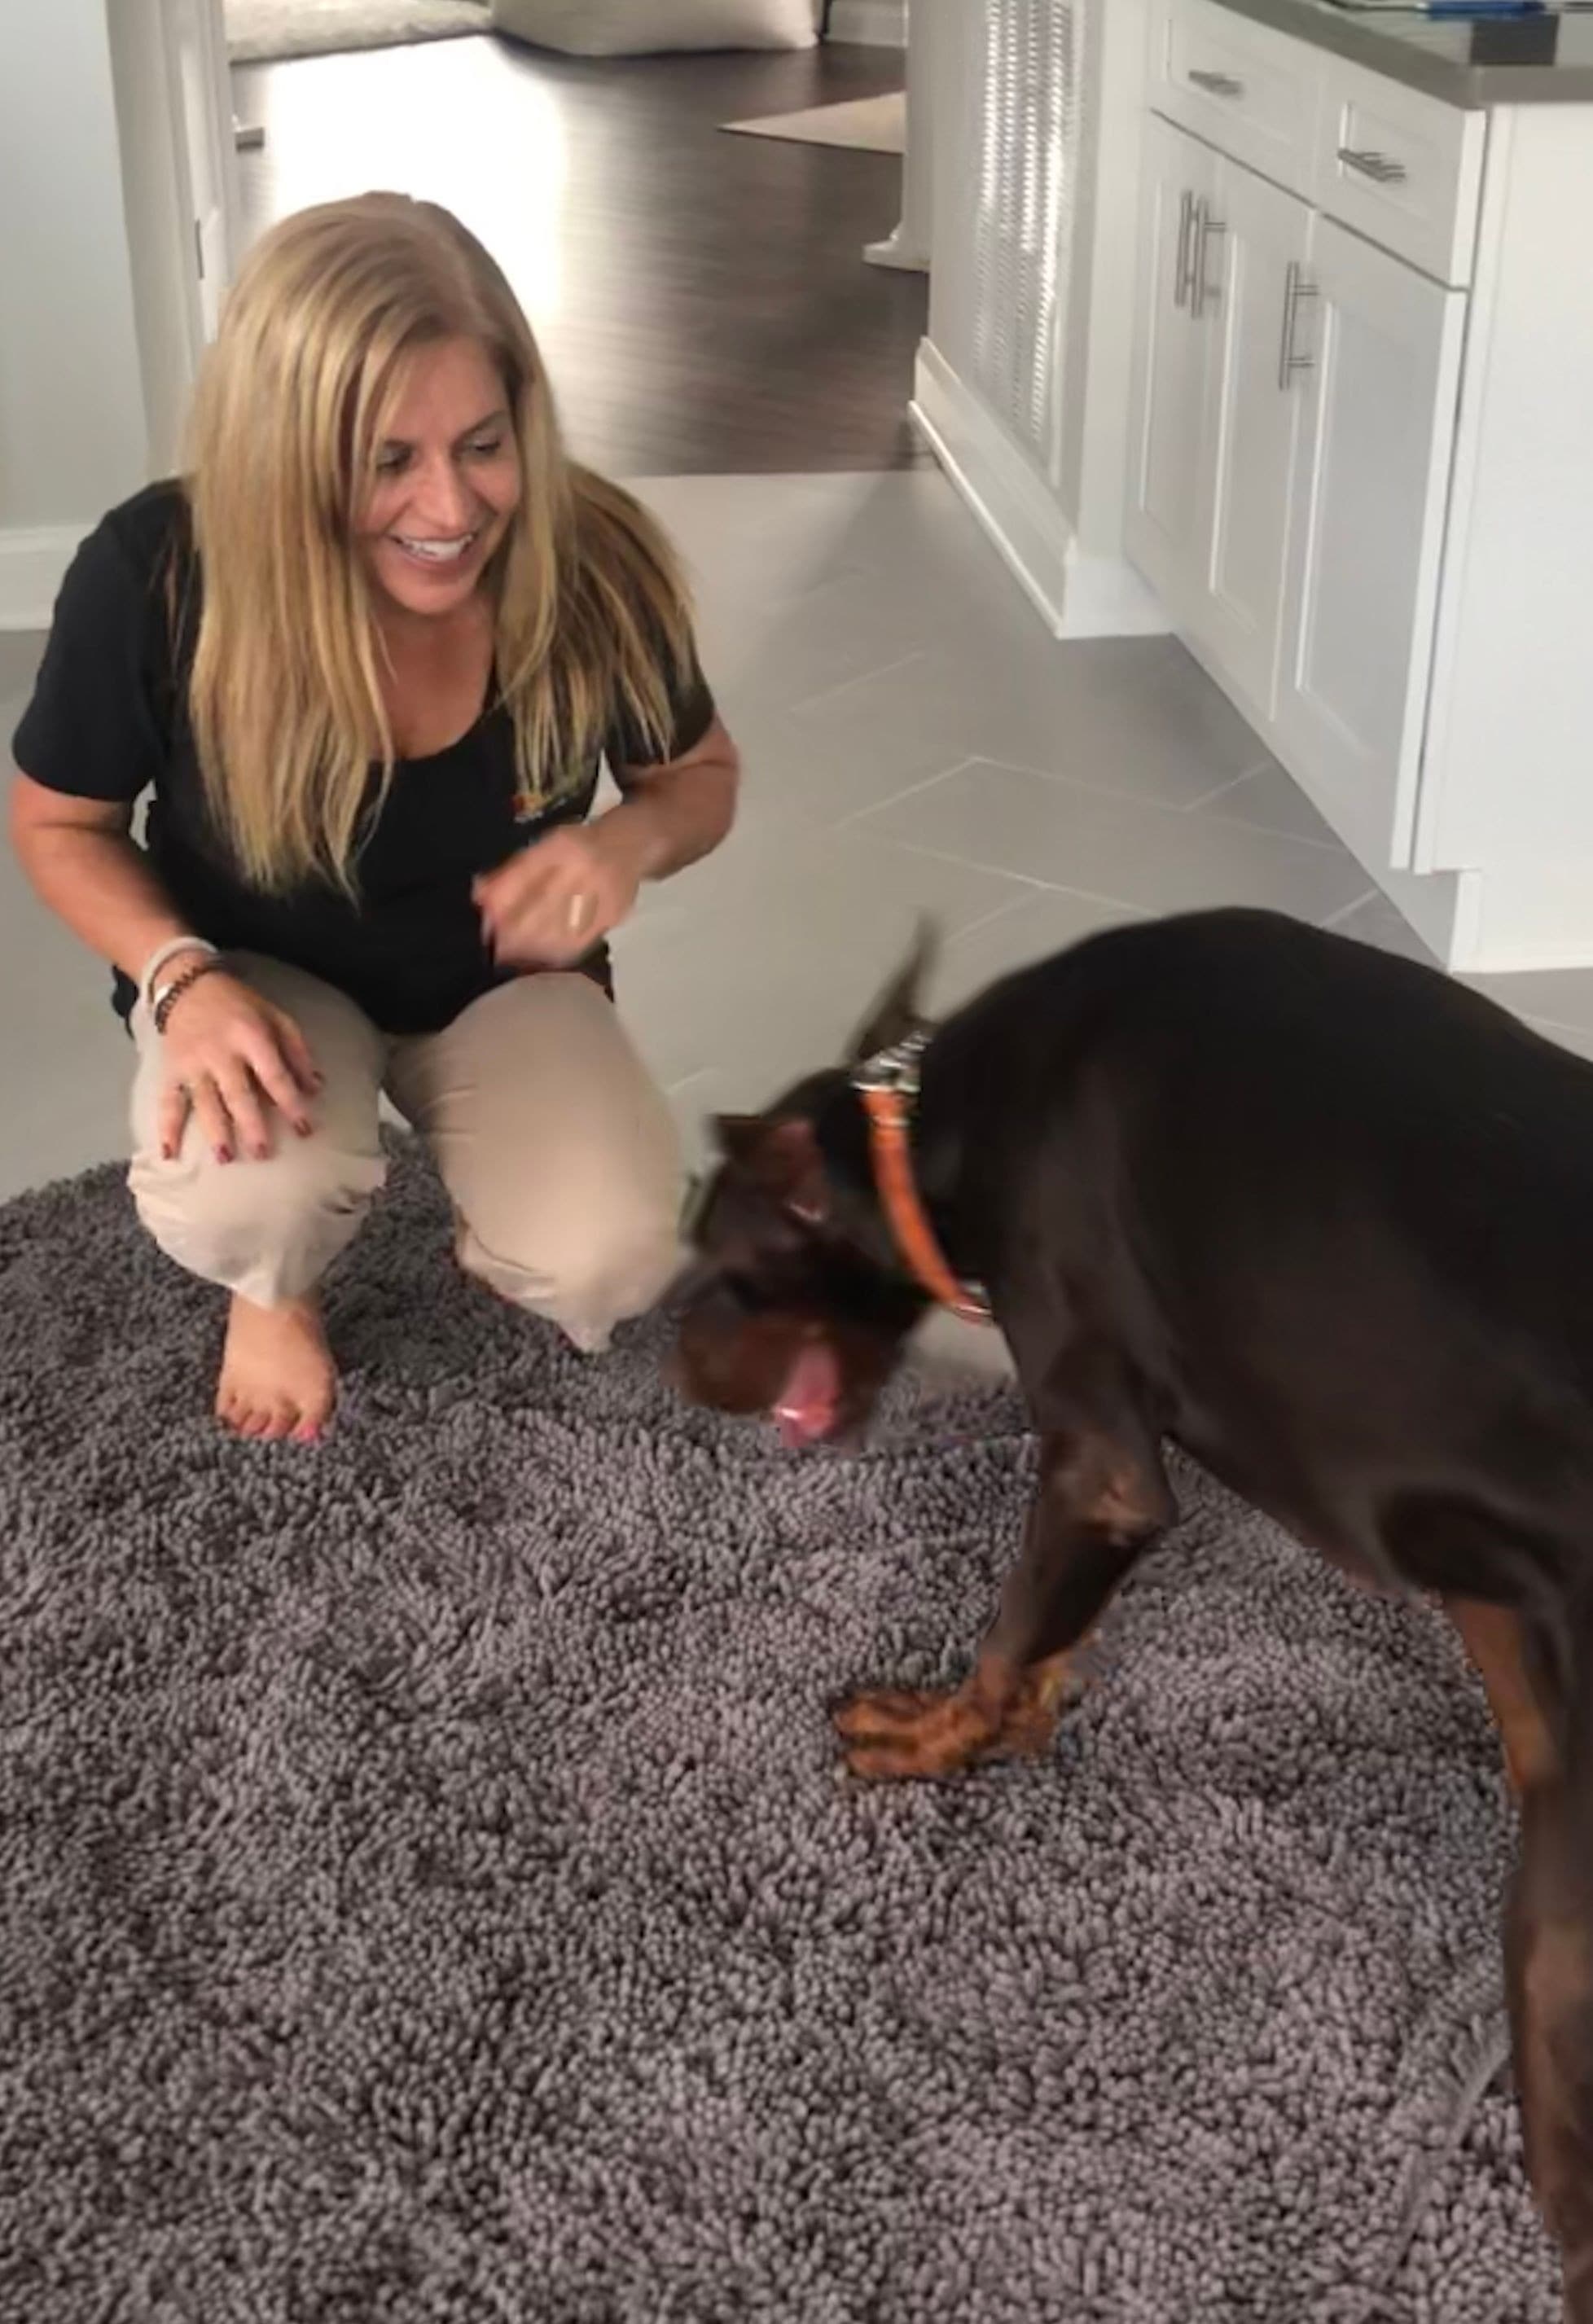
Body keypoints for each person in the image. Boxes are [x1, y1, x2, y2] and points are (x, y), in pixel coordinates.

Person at [7, 193, 738, 1445]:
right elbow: (59, 823)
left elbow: (699, 776)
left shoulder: (596, 560)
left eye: (485, 444)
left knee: (606, 1260)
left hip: (506, 983)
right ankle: (273, 1291)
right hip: (259, 975)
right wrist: (180, 980)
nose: (450, 510)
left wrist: (625, 843)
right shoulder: (156, 573)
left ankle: (491, 1193)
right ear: (281, 453)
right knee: (251, 1207)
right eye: (387, 460)